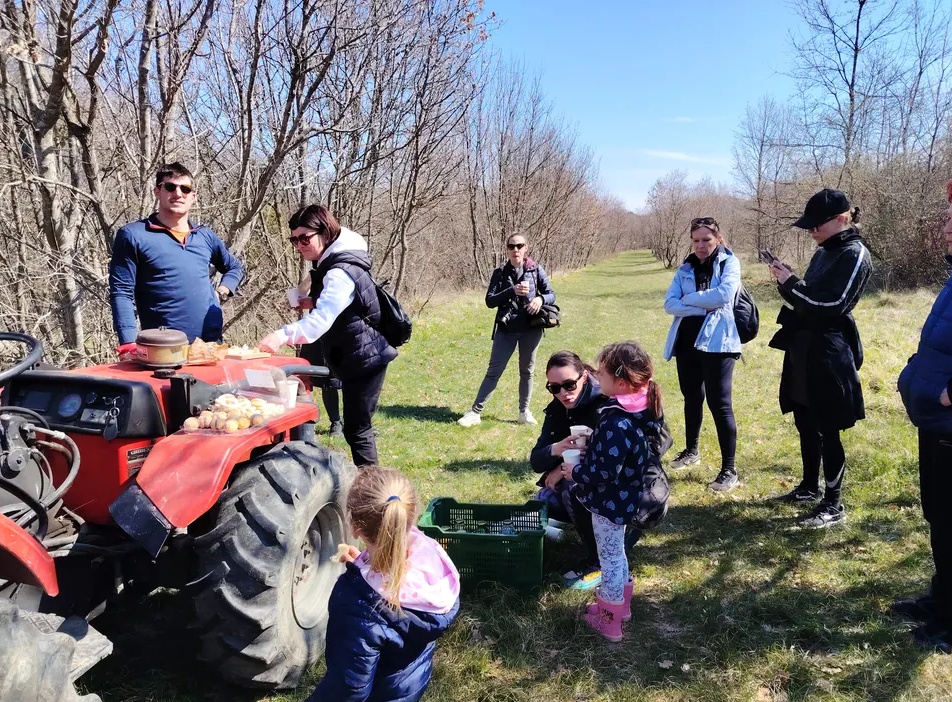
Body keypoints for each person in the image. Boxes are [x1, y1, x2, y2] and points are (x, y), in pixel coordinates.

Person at [305, 466, 460, 701]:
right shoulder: (433, 561)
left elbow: (348, 688)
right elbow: (392, 571)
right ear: (411, 514)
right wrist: (362, 563)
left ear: (354, 527)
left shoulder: (355, 602)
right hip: (409, 685)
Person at [258, 204, 396, 467]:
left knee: (358, 430)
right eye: (294, 239)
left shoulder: (338, 271)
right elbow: (346, 304)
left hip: (366, 356)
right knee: (356, 428)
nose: (299, 245)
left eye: (305, 238)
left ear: (326, 232)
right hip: (357, 351)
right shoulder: (335, 259)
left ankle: (373, 494)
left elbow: (318, 324)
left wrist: (281, 335)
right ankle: (371, 488)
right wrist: (311, 301)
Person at [766, 188, 872, 528]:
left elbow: (831, 304)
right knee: (805, 420)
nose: (811, 232)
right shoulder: (825, 250)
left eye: (816, 225)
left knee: (828, 429)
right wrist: (787, 281)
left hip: (829, 352)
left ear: (842, 218)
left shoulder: (855, 254)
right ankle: (809, 487)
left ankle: (834, 502)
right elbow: (807, 298)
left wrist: (792, 283)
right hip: (804, 347)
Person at [566, 341, 667, 642]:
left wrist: (576, 472)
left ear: (620, 382)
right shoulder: (633, 409)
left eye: (602, 373)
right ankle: (620, 607)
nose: (596, 375)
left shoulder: (618, 423)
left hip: (610, 502)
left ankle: (609, 621)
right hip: (623, 499)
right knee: (616, 553)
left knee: (608, 559)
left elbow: (605, 472)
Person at [893, 179, 952, 654]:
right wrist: (915, 375)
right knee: (939, 514)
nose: (947, 226)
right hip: (934, 422)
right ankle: (942, 600)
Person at [109, 162, 245, 346]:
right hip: (163, 350)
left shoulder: (203, 235)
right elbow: (121, 292)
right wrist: (127, 344)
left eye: (185, 189)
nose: (178, 193)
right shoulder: (133, 235)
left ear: (193, 196)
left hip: (210, 346)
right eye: (170, 187)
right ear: (157, 191)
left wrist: (221, 292)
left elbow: (234, 267)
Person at [662, 217, 742, 491]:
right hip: (687, 343)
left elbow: (724, 296)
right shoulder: (685, 267)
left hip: (719, 342)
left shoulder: (729, 262)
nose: (700, 246)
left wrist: (689, 299)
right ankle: (691, 451)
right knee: (692, 398)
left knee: (720, 405)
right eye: (695, 240)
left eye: (706, 240)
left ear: (718, 239)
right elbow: (670, 304)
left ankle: (729, 469)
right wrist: (700, 304)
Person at [530, 351, 611, 590]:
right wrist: (557, 449)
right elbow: (536, 461)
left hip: (617, 485)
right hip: (581, 474)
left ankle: (599, 560)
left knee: (573, 488)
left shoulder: (605, 403)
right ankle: (583, 527)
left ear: (584, 377)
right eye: (554, 387)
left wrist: (572, 467)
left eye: (568, 384)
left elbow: (617, 460)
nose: (563, 393)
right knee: (544, 498)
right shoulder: (558, 408)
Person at [457, 233, 556, 427]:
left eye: (519, 246)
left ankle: (523, 412)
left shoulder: (536, 270)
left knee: (527, 371)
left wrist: (540, 299)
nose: (515, 250)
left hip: (531, 328)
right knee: (494, 371)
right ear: (507, 249)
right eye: (511, 246)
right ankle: (475, 412)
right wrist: (512, 290)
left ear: (526, 248)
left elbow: (551, 294)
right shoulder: (500, 272)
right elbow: (489, 301)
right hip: (506, 328)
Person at [291, 274, 344, 438]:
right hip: (319, 331)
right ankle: (335, 422)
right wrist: (314, 275)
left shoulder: (346, 271)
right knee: (327, 379)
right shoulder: (320, 270)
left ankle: (355, 422)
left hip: (344, 329)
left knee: (352, 380)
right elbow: (299, 292)